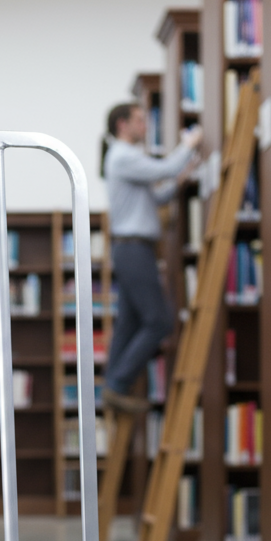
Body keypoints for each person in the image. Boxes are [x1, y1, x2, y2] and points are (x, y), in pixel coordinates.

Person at [100, 103, 203, 413]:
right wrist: (189, 144)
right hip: (134, 249)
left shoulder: (125, 158)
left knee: (129, 323)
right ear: (122, 125)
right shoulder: (123, 156)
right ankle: (118, 384)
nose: (145, 125)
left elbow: (155, 196)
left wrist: (180, 179)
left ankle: (112, 385)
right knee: (159, 322)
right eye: (139, 120)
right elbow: (165, 169)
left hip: (131, 249)